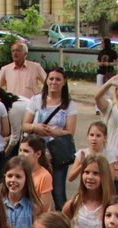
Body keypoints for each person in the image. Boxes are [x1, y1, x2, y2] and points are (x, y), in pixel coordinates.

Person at [23, 68, 77, 210]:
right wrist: (35, 127)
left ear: (64, 82)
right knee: (32, 191)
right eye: (51, 78)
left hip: (57, 155)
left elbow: (70, 132)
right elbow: (25, 125)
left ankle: (62, 221)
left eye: (58, 79)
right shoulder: (36, 99)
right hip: (37, 155)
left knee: (58, 194)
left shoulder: (69, 104)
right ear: (46, 80)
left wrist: (54, 132)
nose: (54, 82)